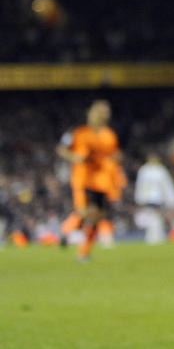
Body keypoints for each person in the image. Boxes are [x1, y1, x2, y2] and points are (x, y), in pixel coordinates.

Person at [56, 99, 125, 261]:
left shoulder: (109, 135)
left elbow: (114, 155)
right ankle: (65, 230)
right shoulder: (78, 133)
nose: (104, 115)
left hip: (101, 181)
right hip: (83, 179)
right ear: (91, 113)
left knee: (97, 216)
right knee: (85, 212)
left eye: (106, 113)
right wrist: (74, 157)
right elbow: (61, 149)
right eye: (100, 112)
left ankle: (83, 252)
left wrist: (117, 162)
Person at [134, 152, 174, 244]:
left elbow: (166, 186)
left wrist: (173, 200)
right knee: (154, 217)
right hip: (151, 198)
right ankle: (155, 237)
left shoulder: (153, 170)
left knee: (155, 217)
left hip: (155, 198)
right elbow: (141, 185)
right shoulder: (148, 170)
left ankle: (155, 237)